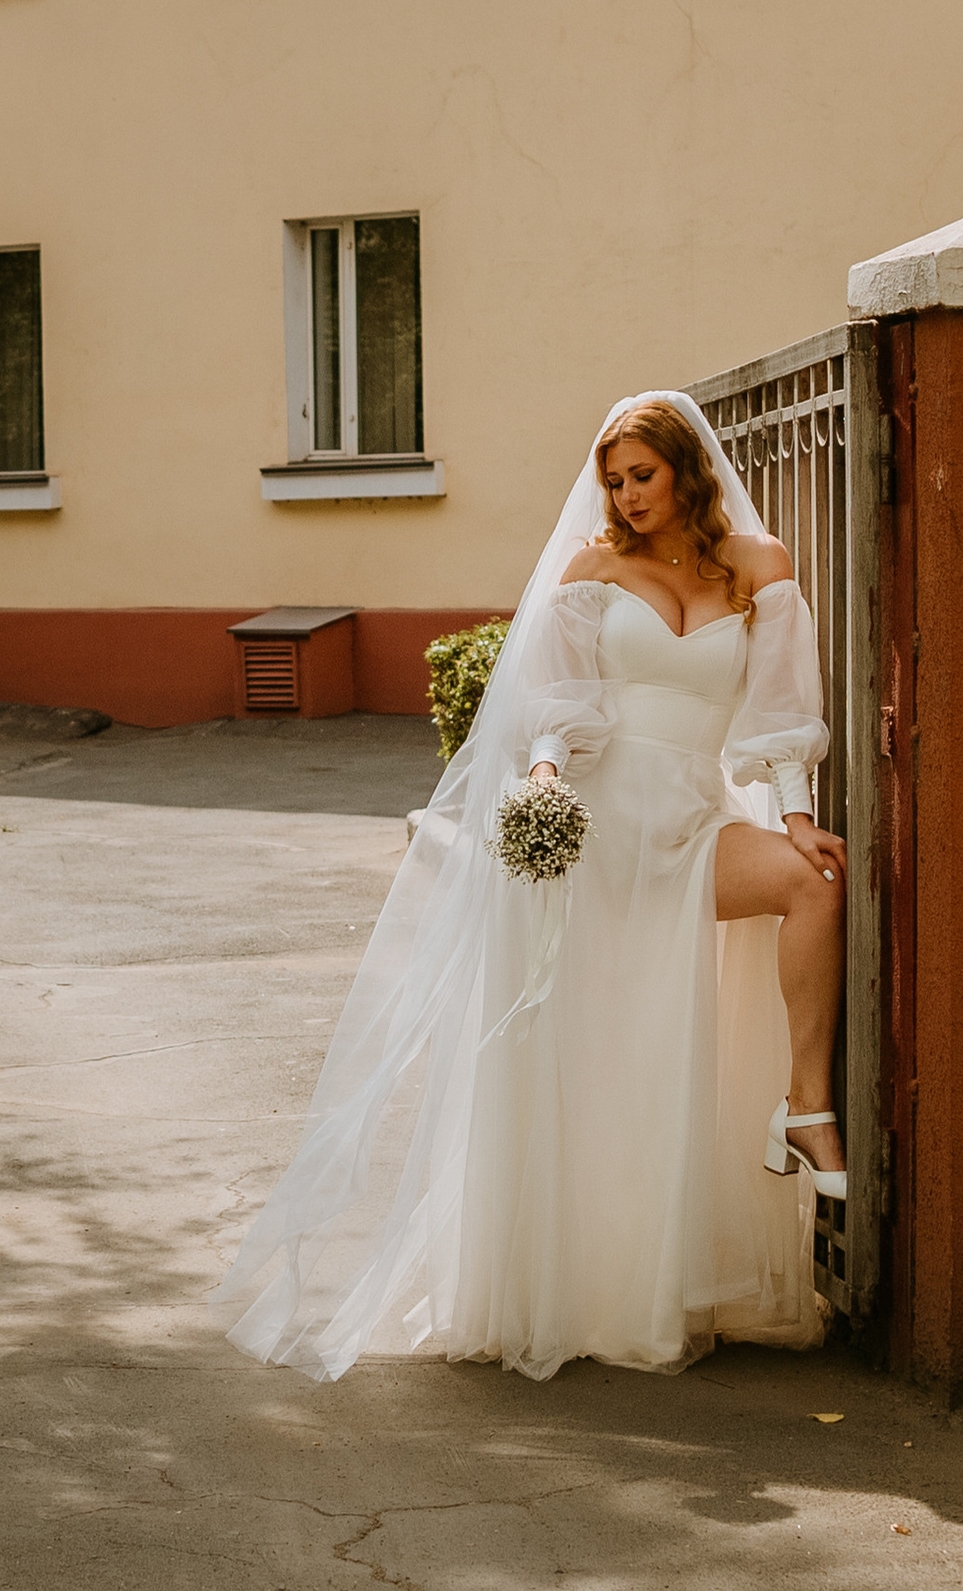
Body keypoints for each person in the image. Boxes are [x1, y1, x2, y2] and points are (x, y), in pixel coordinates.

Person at [216, 391, 846, 1379]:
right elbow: (555, 707)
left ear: (688, 469)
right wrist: (545, 778)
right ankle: (581, 1280)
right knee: (604, 1060)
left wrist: (799, 818)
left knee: (811, 885)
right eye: (613, 480)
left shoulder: (761, 572)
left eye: (643, 474)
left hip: (694, 823)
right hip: (594, 826)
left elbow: (777, 714)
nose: (627, 496)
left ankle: (804, 1106)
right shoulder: (591, 571)